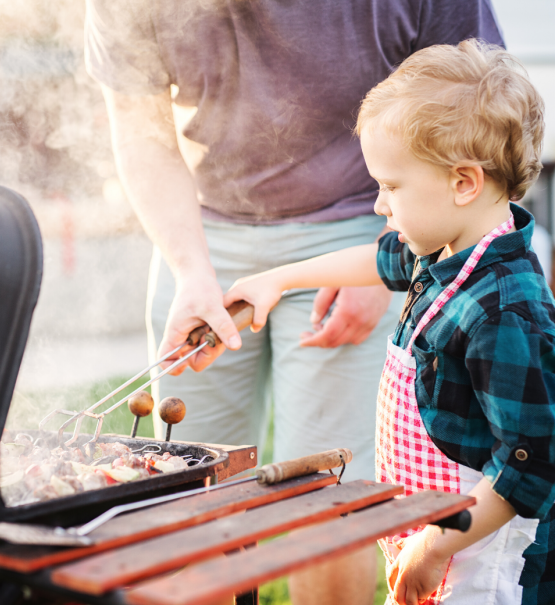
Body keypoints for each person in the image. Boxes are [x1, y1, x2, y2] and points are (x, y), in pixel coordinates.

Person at [84, 0, 503, 602]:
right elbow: (139, 125)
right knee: (182, 491)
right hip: (198, 228)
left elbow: (477, 112)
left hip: (367, 219)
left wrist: (398, 262)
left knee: (330, 499)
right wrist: (190, 269)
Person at [217, 39, 554, 605]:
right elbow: (377, 261)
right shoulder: (445, 247)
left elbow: (532, 465)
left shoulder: (505, 312)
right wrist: (280, 279)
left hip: (486, 563)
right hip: (435, 530)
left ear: (463, 182)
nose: (379, 205)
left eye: (391, 186)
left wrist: (435, 546)